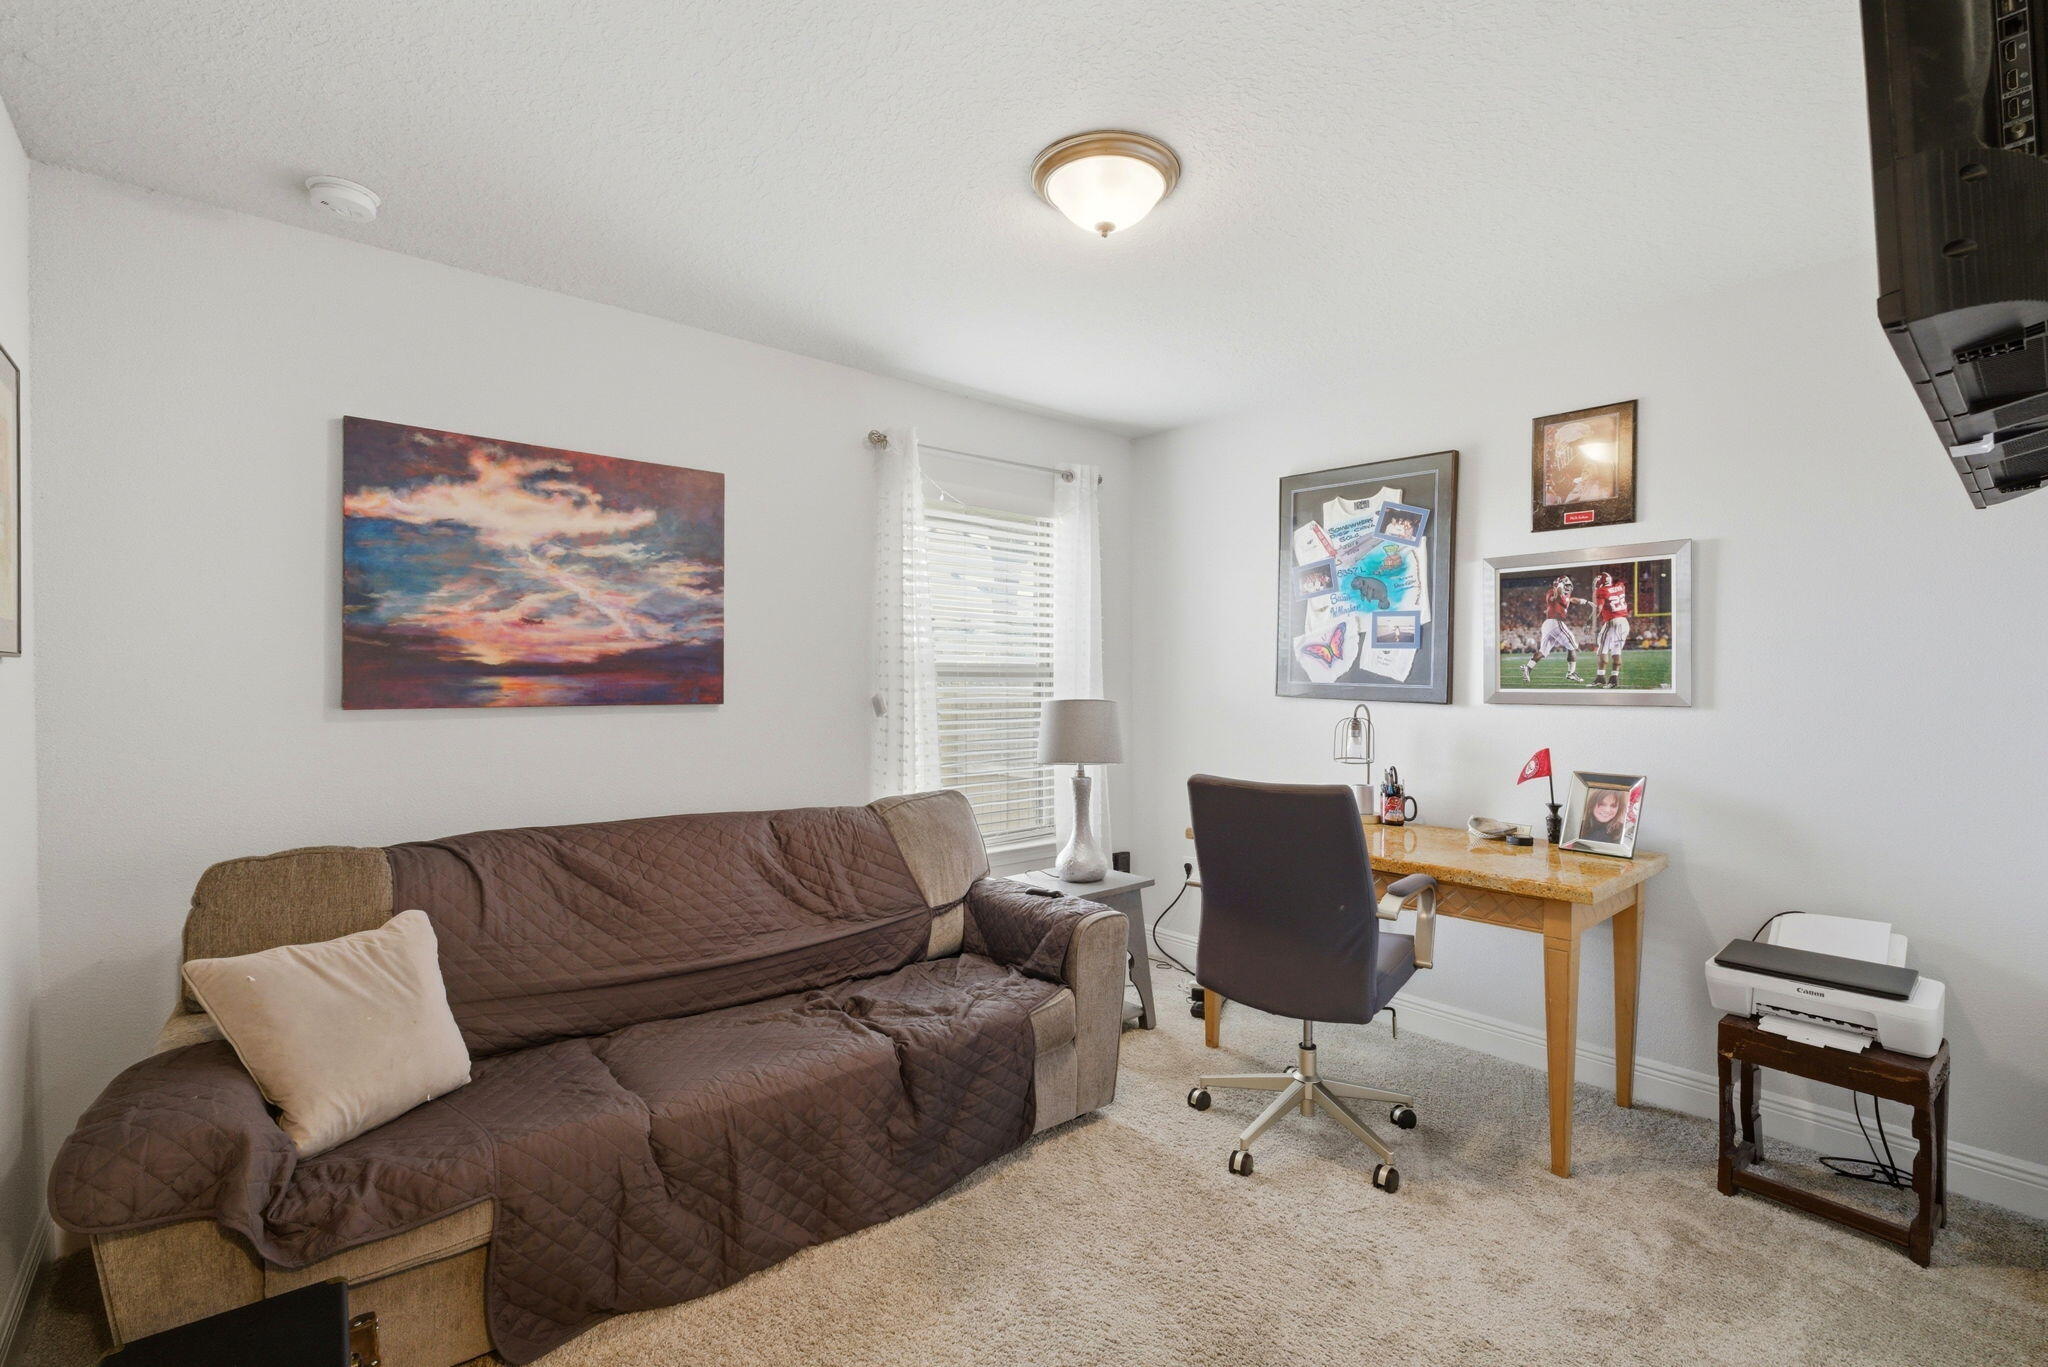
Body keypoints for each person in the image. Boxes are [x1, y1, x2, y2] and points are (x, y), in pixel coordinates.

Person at [1522, 576, 1588, 684]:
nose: (1569, 587)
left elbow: (1571, 600)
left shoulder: (1564, 595)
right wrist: (1560, 588)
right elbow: (1557, 598)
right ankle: (1571, 673)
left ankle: (1528, 668)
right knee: (1573, 646)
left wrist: (1585, 602)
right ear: (1560, 585)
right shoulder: (1552, 592)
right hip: (1555, 622)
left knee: (1543, 652)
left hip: (1548, 624)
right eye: (1566, 585)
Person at [1591, 570, 1631, 688]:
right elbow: (1620, 582)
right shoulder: (1620, 586)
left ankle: (1600, 677)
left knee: (1602, 649)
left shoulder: (1601, 591)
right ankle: (1614, 679)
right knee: (1616, 651)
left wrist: (1589, 621)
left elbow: (1599, 608)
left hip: (1612, 622)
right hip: (1624, 622)